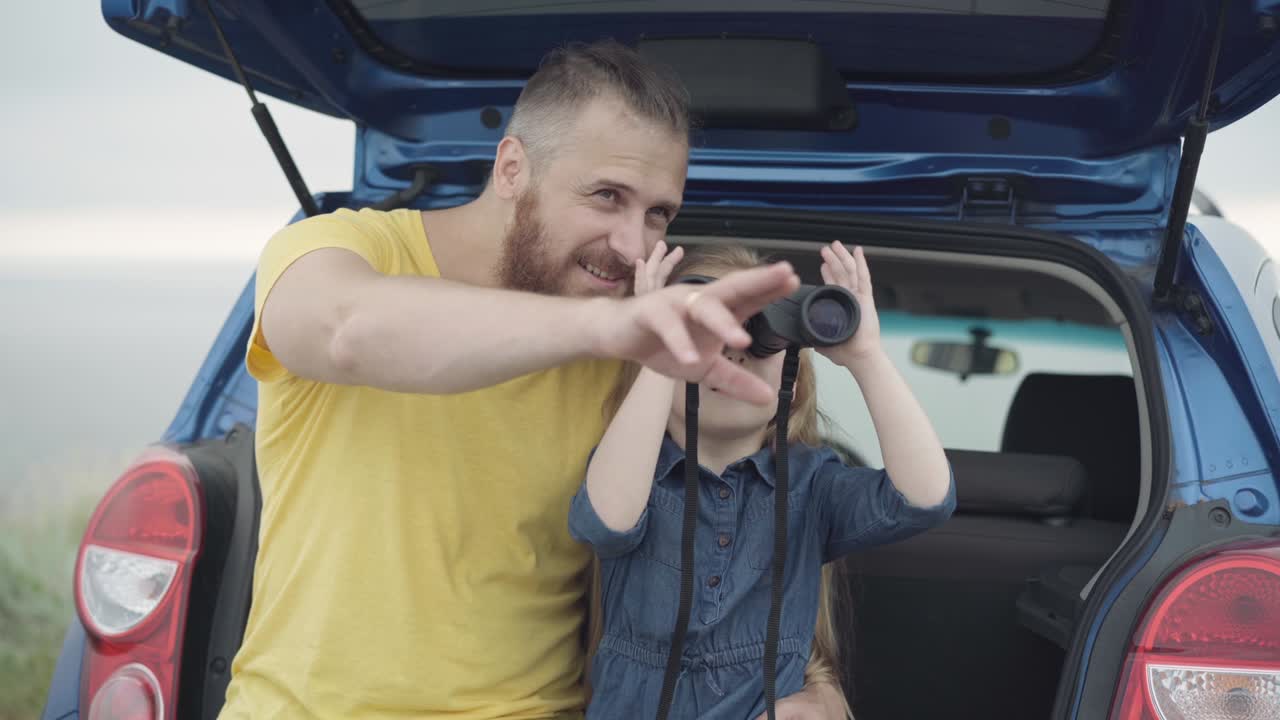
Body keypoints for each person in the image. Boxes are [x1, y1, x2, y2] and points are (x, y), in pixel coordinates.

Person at [219, 40, 850, 719]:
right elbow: (346, 331)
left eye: (658, 213)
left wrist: (816, 691)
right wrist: (609, 331)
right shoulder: (345, 250)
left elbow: (750, 539)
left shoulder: (638, 354)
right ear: (513, 167)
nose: (635, 244)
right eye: (607, 196)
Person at [571, 244, 957, 719]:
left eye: (762, 334)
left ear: (792, 383)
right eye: (704, 331)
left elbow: (925, 499)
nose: (732, 350)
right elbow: (606, 522)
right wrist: (660, 350)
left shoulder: (812, 487)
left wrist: (866, 357)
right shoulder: (629, 475)